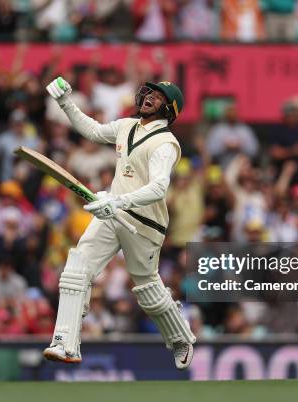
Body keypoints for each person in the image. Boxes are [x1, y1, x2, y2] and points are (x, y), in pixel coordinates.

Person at [44, 76, 195, 369]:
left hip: (144, 224)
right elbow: (94, 131)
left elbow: (158, 188)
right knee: (77, 268)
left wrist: (117, 200)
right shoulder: (126, 126)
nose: (149, 96)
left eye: (159, 96)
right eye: (149, 92)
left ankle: (180, 338)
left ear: (169, 109)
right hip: (112, 214)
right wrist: (65, 103)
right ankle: (65, 342)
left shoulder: (166, 143)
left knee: (147, 288)